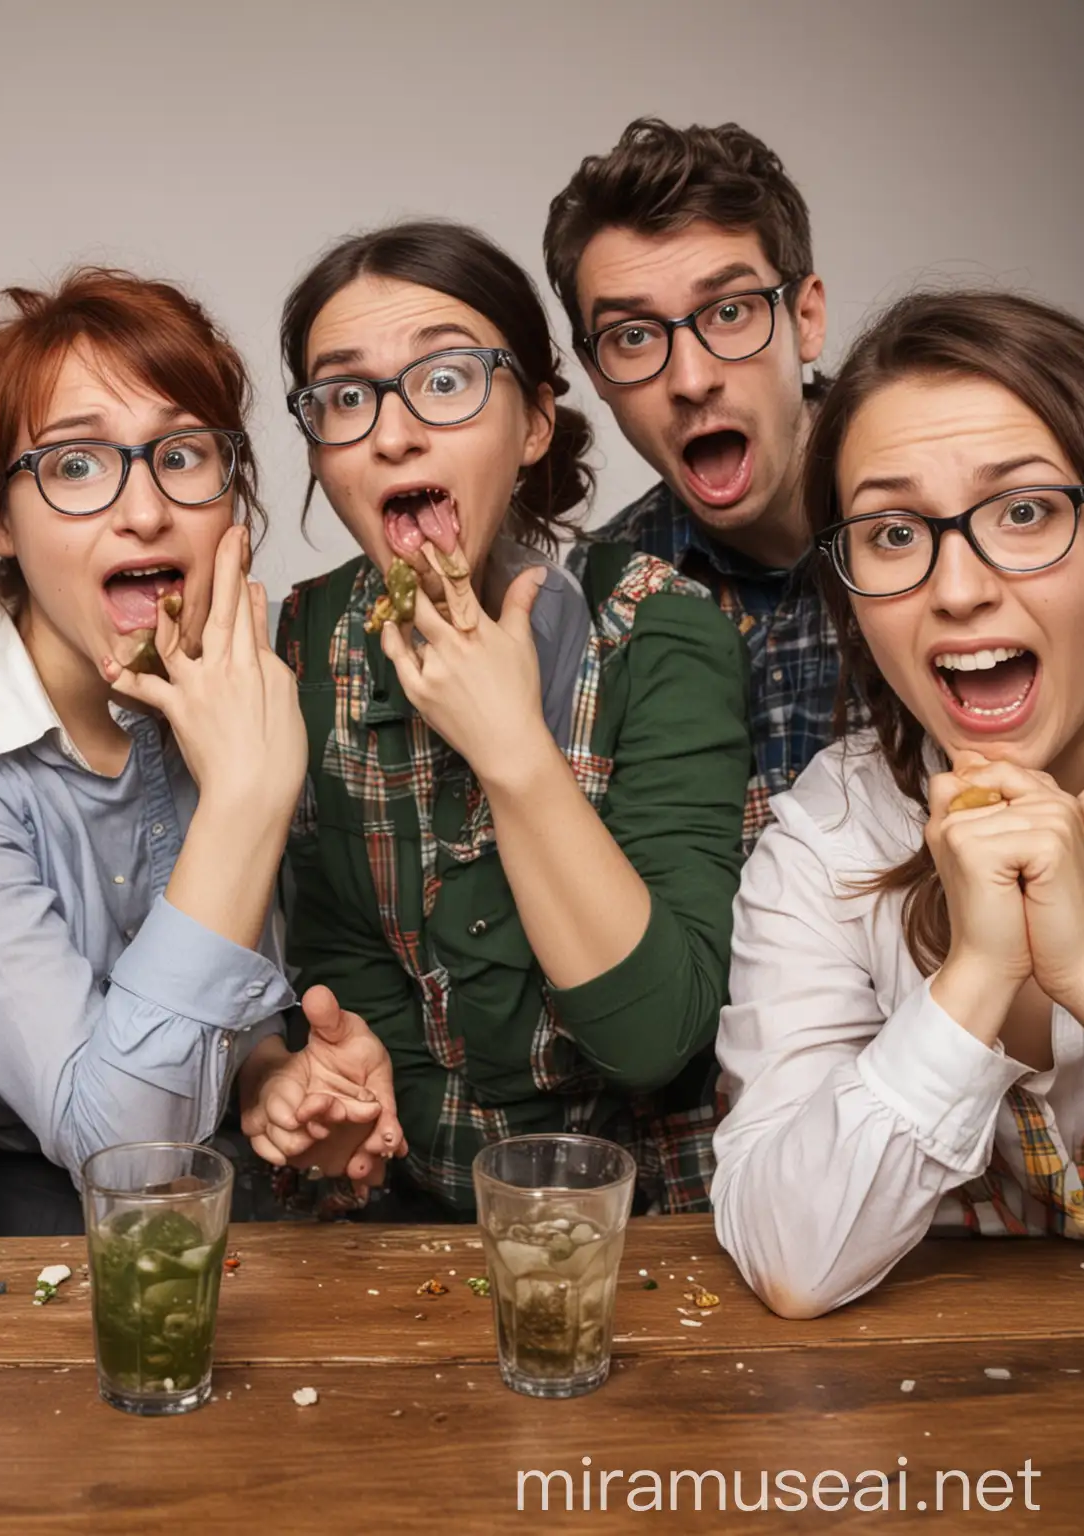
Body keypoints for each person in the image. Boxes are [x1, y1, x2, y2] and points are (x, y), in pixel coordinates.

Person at [0, 269, 401, 1241]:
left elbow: (200, 993)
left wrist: (271, 1079)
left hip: (220, 1243)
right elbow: (126, 1150)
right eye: (77, 465)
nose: (146, 509)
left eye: (182, 454)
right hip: (23, 1257)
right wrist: (247, 800)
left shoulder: (211, 695)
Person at [262, 219, 752, 1220]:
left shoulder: (662, 633)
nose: (393, 432)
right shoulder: (306, 646)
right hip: (397, 1242)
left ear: (533, 423)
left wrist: (512, 752)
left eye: (445, 380)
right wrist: (330, 1102)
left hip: (653, 1235)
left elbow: (655, 1036)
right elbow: (350, 984)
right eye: (346, 397)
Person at [713, 290, 1084, 1318]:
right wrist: (977, 976)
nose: (959, 589)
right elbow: (788, 1252)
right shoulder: (826, 835)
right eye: (892, 533)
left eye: (1024, 512)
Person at [544, 118, 840, 843]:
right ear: (595, 376)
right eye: (633, 336)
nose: (692, 379)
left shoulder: (948, 525)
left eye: (730, 312)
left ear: (805, 317)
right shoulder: (602, 595)